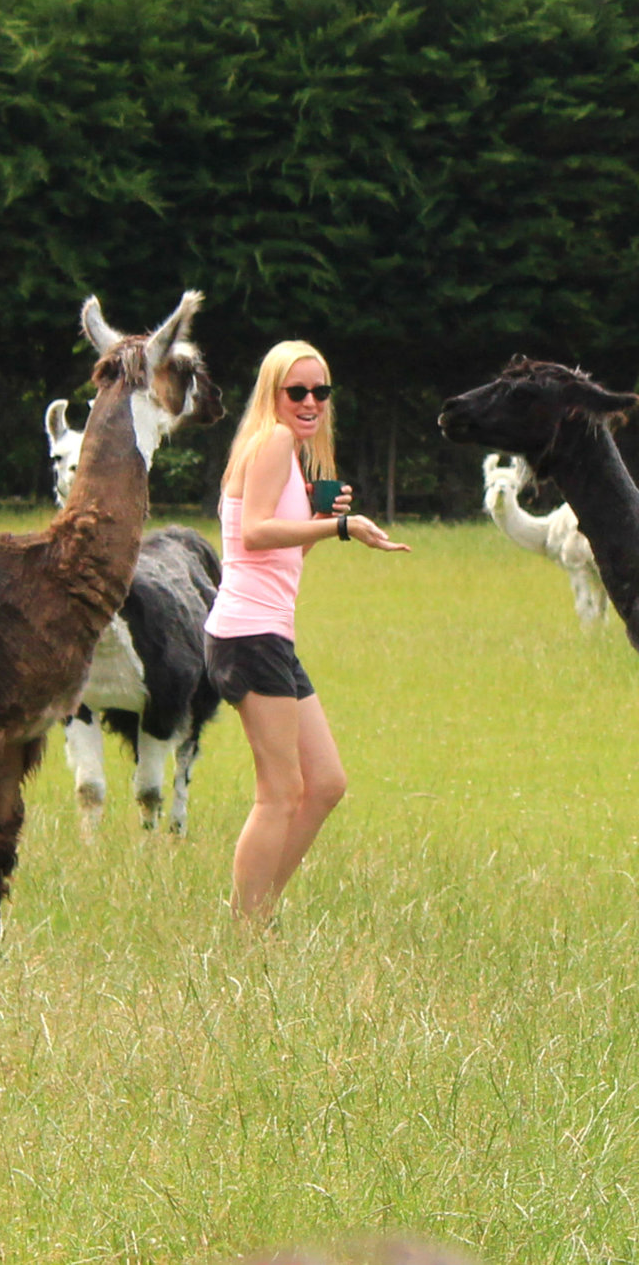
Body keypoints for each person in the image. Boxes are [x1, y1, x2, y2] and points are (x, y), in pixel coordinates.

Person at [204, 340, 408, 924]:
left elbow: (276, 551)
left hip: (267, 635)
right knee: (280, 793)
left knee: (324, 783)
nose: (311, 401)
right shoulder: (271, 441)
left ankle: (257, 914)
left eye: (321, 390)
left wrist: (316, 523)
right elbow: (253, 537)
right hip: (248, 636)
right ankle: (244, 937)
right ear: (274, 395)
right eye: (298, 391)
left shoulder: (288, 452)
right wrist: (339, 526)